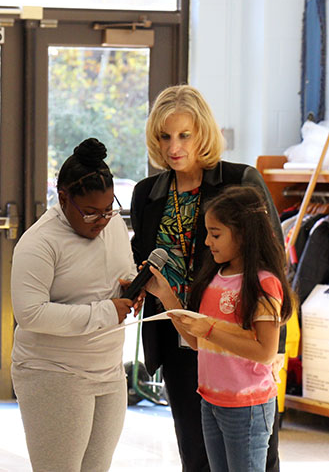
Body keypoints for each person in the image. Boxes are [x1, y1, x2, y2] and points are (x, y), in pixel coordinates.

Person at [129, 85, 283, 472]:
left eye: (184, 135)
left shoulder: (240, 180)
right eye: (164, 136)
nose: (173, 147)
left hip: (238, 335)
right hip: (178, 335)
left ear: (203, 134)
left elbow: (274, 261)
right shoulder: (147, 194)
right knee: (196, 454)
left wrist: (275, 344)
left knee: (255, 458)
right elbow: (140, 257)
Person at [10, 138, 140, 472]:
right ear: (63, 197)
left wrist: (131, 287)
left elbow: (118, 275)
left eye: (109, 209)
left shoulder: (111, 225)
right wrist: (105, 312)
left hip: (108, 370)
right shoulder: (39, 242)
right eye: (90, 212)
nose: (101, 220)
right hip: (53, 373)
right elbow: (30, 313)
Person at [147, 185, 295, 471]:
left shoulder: (263, 283)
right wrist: (165, 295)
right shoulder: (215, 277)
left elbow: (265, 352)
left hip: (247, 406)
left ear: (243, 234)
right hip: (211, 401)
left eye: (215, 234)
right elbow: (195, 341)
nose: (207, 242)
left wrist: (209, 331)